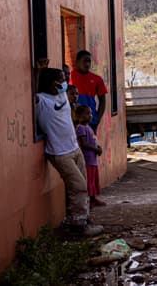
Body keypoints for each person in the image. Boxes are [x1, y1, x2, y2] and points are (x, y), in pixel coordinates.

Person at [34, 67, 102, 236]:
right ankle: (78, 226)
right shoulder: (41, 100)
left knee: (82, 185)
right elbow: (32, 92)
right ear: (50, 83)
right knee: (78, 186)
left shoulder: (62, 95)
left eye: (64, 79)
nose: (64, 83)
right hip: (59, 152)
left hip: (74, 148)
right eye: (60, 80)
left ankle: (83, 218)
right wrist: (37, 72)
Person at [75, 105, 106, 207]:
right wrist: (95, 149)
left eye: (91, 113)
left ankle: (93, 199)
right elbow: (83, 143)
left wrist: (98, 147)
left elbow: (93, 141)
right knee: (88, 180)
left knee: (93, 179)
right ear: (79, 115)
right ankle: (88, 200)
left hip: (92, 158)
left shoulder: (89, 127)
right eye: (87, 113)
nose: (90, 116)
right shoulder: (80, 128)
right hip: (87, 159)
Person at [70, 50, 108, 133]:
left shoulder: (97, 79)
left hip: (90, 120)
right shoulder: (70, 76)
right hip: (73, 120)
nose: (87, 64)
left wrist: (98, 119)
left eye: (89, 61)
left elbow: (103, 101)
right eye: (84, 61)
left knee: (90, 143)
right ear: (77, 62)